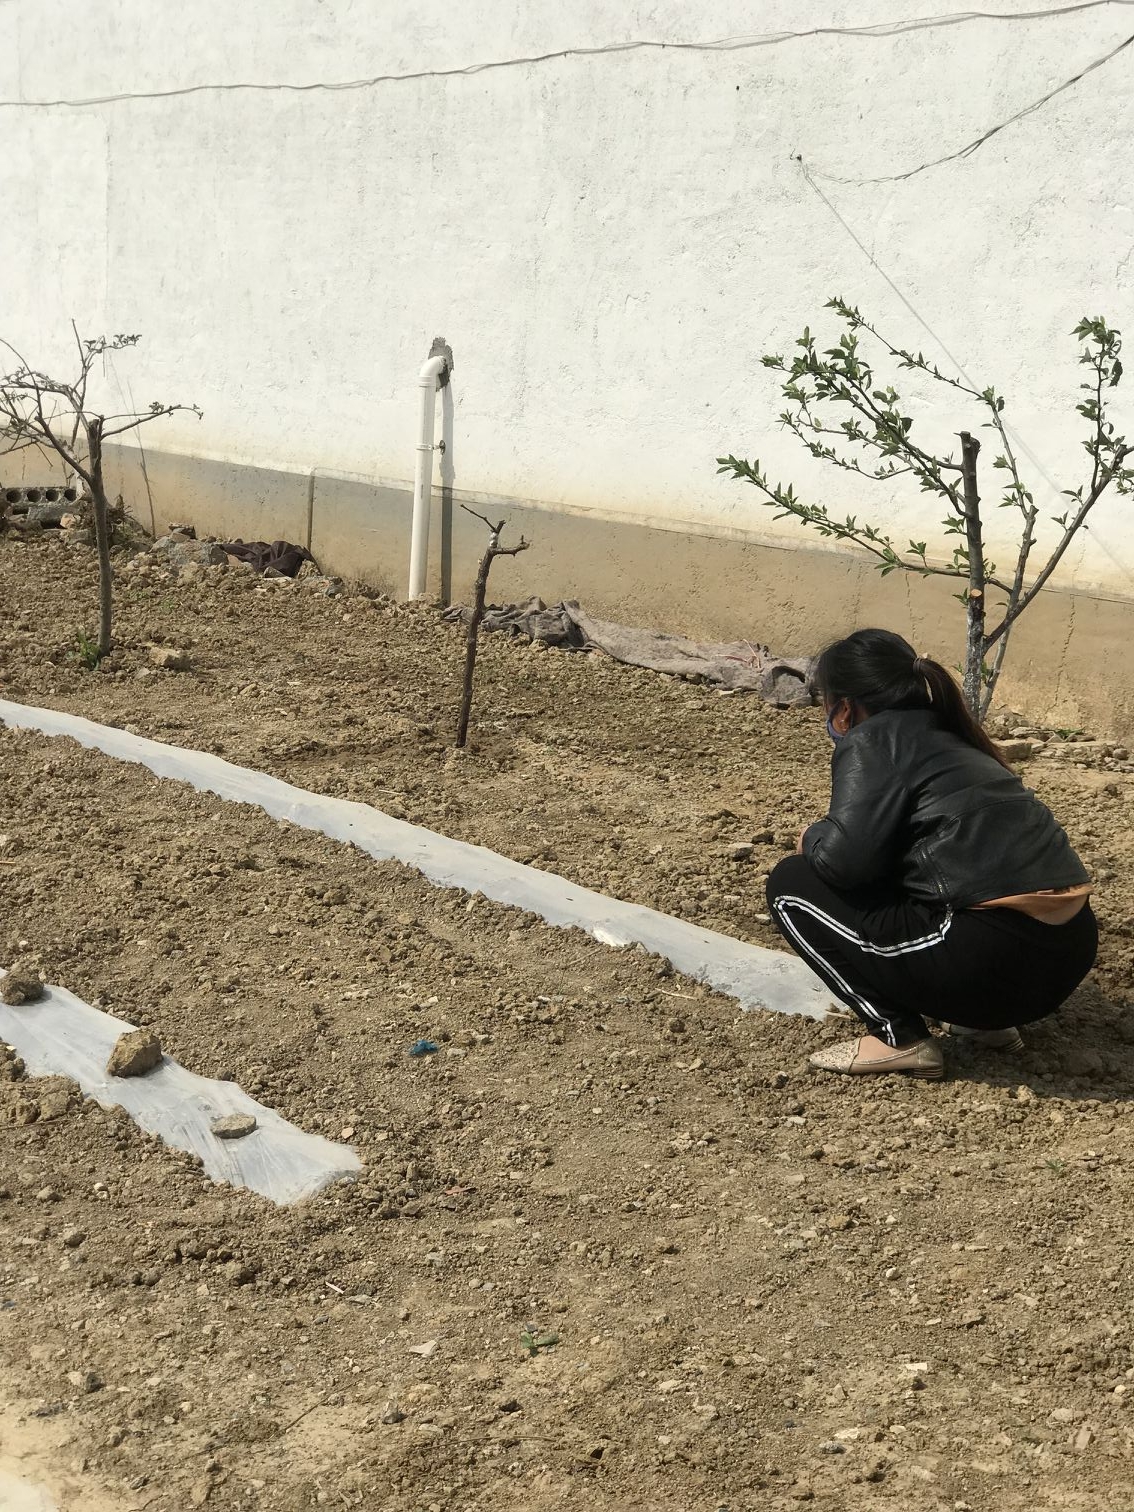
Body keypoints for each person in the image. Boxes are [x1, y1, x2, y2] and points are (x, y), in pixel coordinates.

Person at [765, 628, 1097, 1079]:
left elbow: (842, 864)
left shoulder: (873, 739)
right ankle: (982, 1025)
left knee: (791, 884)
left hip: (990, 966)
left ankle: (897, 1037)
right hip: (1067, 955)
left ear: (843, 709)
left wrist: (813, 837)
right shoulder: (954, 733)